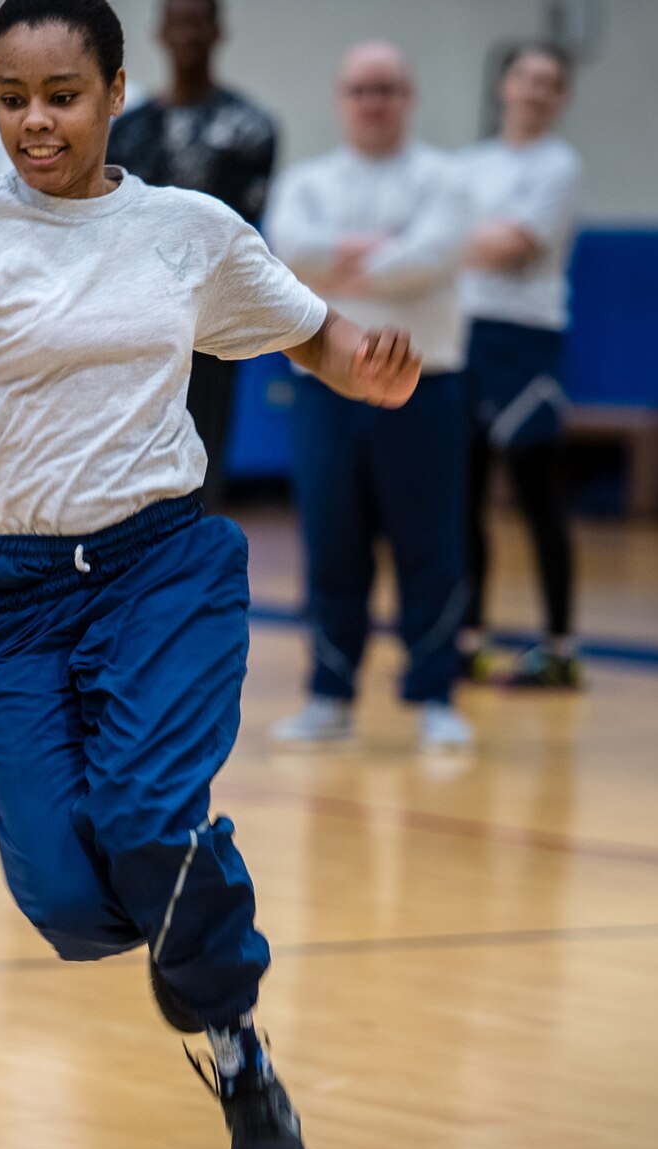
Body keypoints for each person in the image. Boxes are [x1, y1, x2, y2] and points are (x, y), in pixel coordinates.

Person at [0, 0, 420, 1149]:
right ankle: (172, 884)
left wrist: (361, 372)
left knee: (145, 818)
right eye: (11, 97)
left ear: (115, 91)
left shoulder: (186, 232)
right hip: (14, 594)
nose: (34, 121)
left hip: (158, 568)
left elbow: (309, 333)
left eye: (61, 95)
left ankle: (236, 1051)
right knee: (77, 905)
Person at [264, 41, 474, 751]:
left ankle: (435, 694)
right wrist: (381, 250)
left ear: (408, 97)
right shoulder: (306, 183)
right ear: (341, 99)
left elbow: (428, 260)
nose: (374, 102)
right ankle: (329, 694)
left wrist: (343, 258)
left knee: (430, 543)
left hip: (429, 387)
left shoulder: (445, 179)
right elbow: (289, 253)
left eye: (387, 89)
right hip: (326, 390)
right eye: (361, 90)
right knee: (331, 542)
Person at [105, 0, 277, 510]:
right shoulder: (129, 129)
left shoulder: (250, 127)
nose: (188, 35)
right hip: (130, 320)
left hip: (210, 325)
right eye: (177, 22)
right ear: (160, 32)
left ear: (218, 31)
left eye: (198, 21)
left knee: (201, 464)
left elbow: (230, 236)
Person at [456, 42, 584, 689]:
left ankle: (559, 646)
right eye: (526, 77)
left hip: (527, 340)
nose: (536, 90)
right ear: (503, 85)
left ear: (560, 97)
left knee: (539, 499)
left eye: (550, 82)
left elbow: (511, 246)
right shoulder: (466, 166)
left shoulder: (558, 166)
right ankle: (468, 637)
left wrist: (433, 247)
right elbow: (456, 240)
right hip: (463, 335)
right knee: (463, 498)